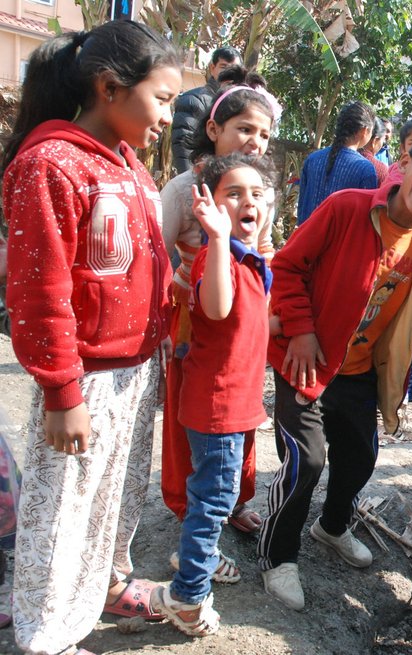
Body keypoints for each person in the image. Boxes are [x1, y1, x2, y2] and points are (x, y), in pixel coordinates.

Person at [257, 131, 412, 611]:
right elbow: (286, 267)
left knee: (360, 458)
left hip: (359, 371)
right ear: (407, 161)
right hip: (304, 360)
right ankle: (279, 556)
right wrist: (303, 331)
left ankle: (331, 527)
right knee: (306, 461)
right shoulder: (347, 207)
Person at [1, 20, 182, 655]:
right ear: (109, 87)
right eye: (161, 99)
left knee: (113, 500)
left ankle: (101, 586)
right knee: (62, 516)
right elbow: (40, 292)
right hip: (86, 378)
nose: (169, 116)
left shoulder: (131, 167)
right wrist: (61, 392)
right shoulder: (52, 166)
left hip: (135, 370)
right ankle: (45, 636)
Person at [152, 153, 273, 636]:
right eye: (234, 193)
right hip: (218, 408)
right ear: (210, 205)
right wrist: (220, 238)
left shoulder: (248, 256)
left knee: (213, 499)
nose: (248, 202)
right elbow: (218, 309)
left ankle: (194, 565)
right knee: (213, 503)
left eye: (257, 194)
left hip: (236, 405)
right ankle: (188, 596)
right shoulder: (215, 254)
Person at [160, 66, 281, 539]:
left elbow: (265, 251)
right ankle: (188, 510)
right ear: (214, 130)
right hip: (196, 327)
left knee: (243, 417)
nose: (255, 141)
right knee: (193, 419)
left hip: (245, 330)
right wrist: (164, 321)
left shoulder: (262, 191)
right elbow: (154, 258)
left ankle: (233, 503)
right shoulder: (181, 192)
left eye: (264, 134)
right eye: (244, 129)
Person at [296, 100, 377, 225]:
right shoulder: (365, 169)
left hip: (306, 239)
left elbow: (302, 210)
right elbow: (365, 222)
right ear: (365, 131)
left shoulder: (312, 159)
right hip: (341, 244)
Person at [171, 46, 242, 173]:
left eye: (234, 69)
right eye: (224, 67)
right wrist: (193, 184)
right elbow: (184, 149)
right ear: (212, 68)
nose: (229, 74)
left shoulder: (239, 107)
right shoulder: (194, 100)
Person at [359, 116, 390, 185]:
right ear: (375, 141)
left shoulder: (340, 157)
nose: (383, 143)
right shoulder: (381, 170)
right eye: (382, 140)